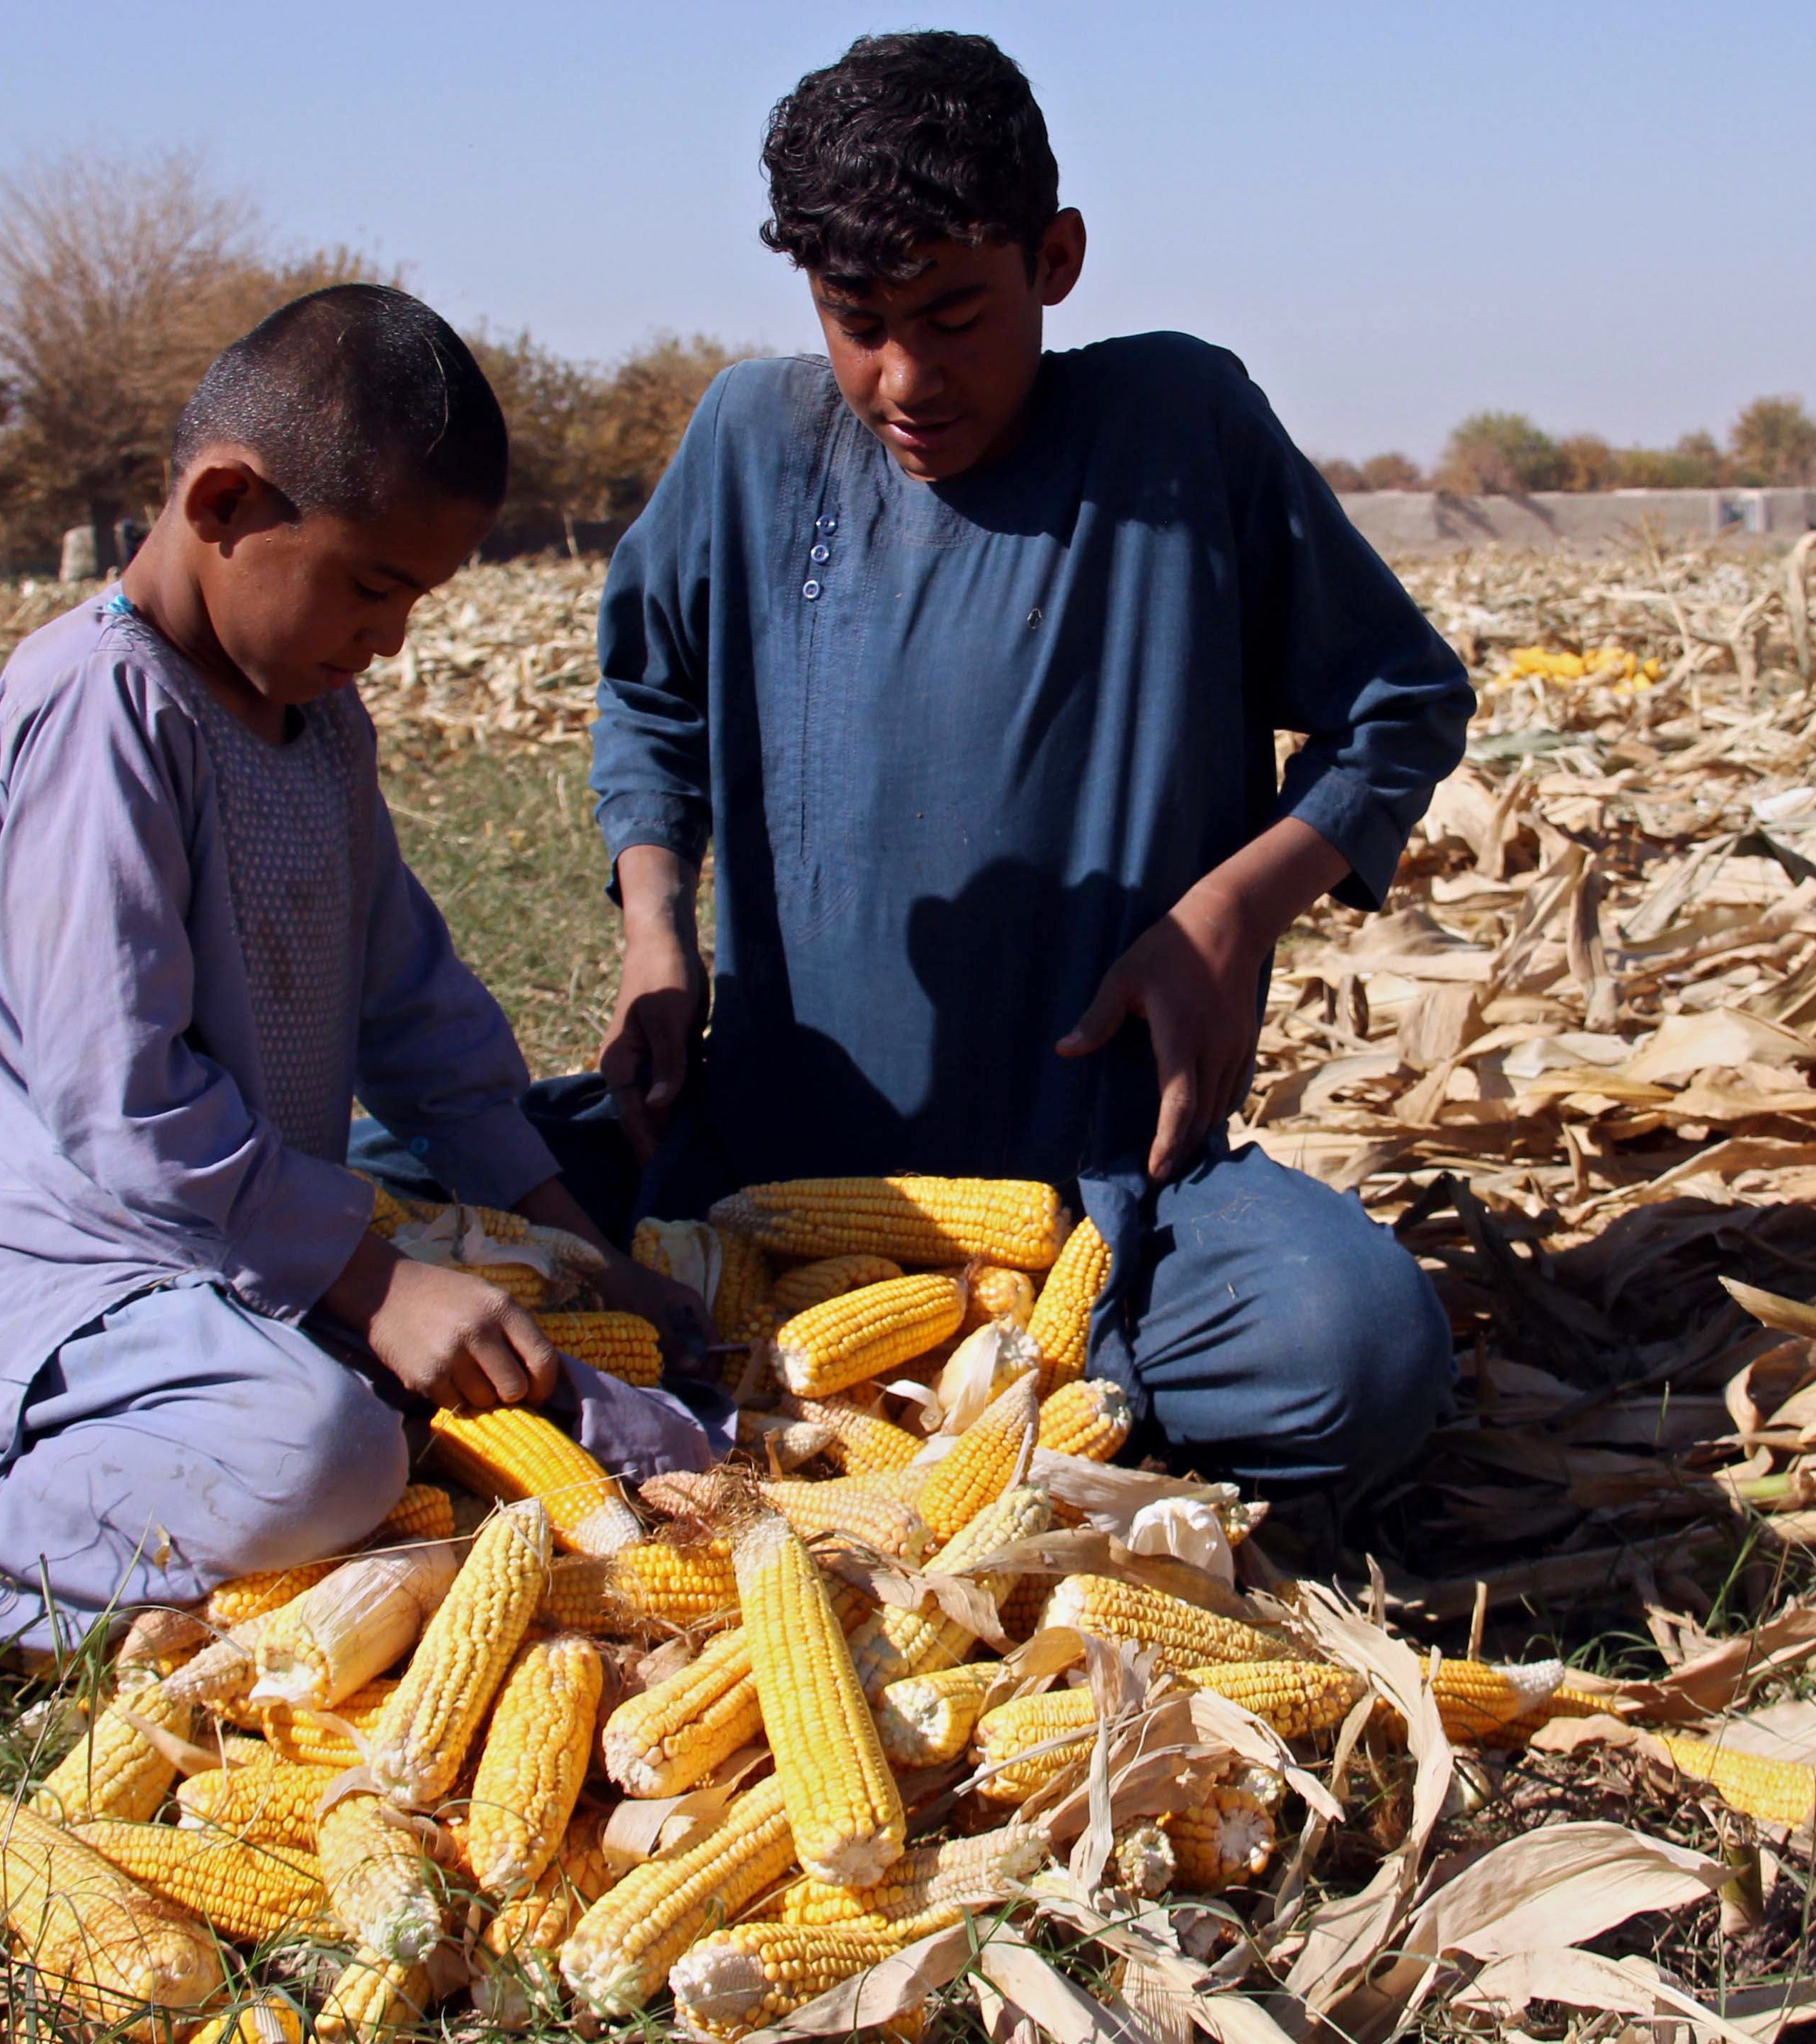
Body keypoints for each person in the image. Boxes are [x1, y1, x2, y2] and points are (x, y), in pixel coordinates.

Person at [587, 34, 1476, 1499]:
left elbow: (1397, 704)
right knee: (389, 1197)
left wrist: (1227, 914)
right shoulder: (751, 443)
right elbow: (651, 695)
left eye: (954, 315)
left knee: (1360, 1353)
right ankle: (939, 1407)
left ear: (1055, 260)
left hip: (1101, 1197)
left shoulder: (1179, 433)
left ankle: (995, 1401)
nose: (906, 377)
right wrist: (651, 930)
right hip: (774, 1173)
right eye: (855, 322)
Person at [0, 285, 717, 1662]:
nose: (387, 639)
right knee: (324, 1455)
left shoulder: (319, 725)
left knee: (574, 1408)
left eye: (415, 601)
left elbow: (416, 1010)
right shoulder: (103, 708)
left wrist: (570, 1241)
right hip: (96, 1278)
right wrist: (379, 1288)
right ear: (223, 504)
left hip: (258, 1257)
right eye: (369, 586)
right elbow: (123, 1101)